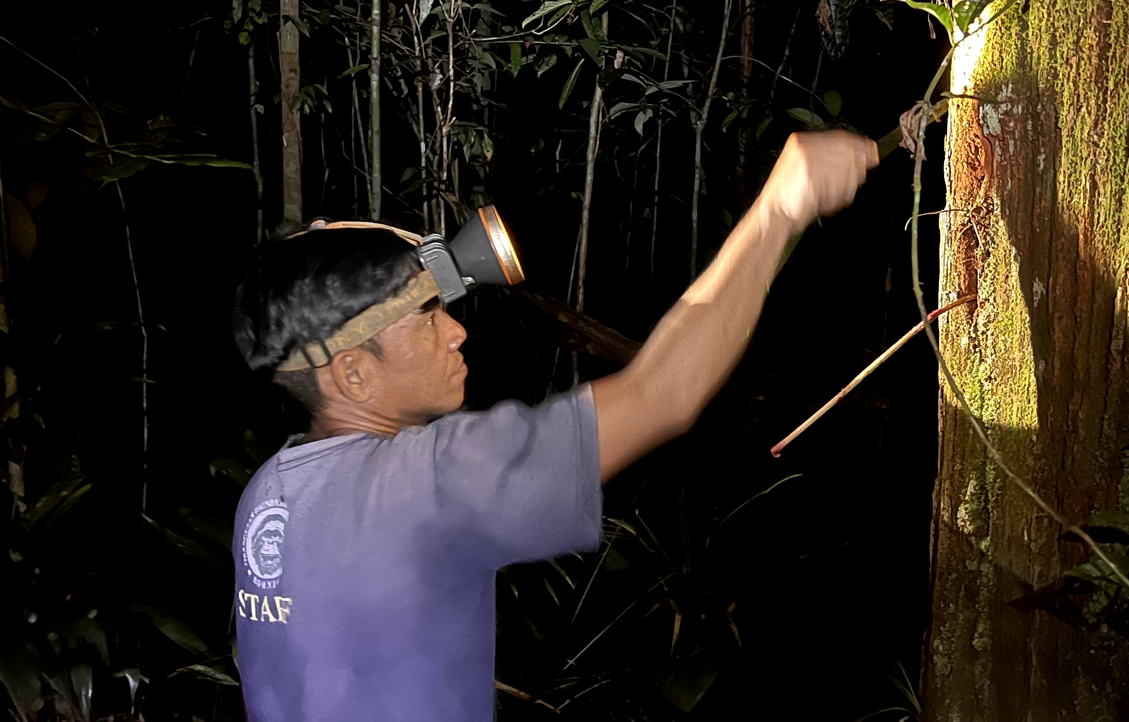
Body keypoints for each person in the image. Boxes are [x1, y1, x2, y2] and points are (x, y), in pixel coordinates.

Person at [229, 130, 877, 721]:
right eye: (428, 317)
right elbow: (664, 393)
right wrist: (779, 209)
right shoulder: (424, 483)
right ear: (353, 376)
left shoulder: (268, 495)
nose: (456, 332)